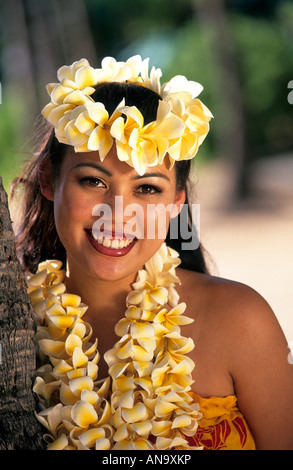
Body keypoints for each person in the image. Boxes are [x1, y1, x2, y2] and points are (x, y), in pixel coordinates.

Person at [11, 56, 293, 450]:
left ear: (177, 202)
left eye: (146, 189)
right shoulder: (14, 328)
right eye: (93, 180)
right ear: (49, 181)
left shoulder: (242, 321)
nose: (118, 213)